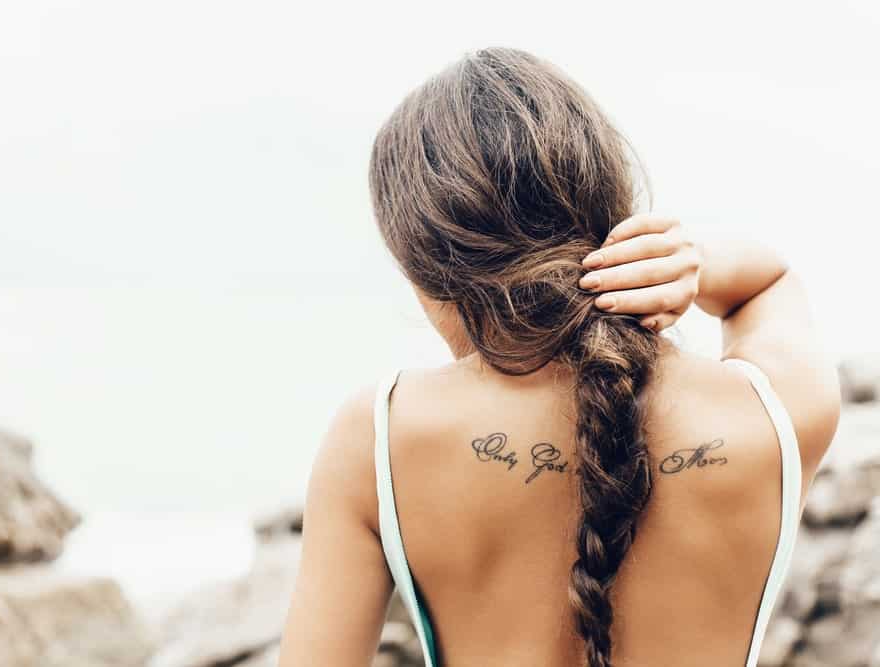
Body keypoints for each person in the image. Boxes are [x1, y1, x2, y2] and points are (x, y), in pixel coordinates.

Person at [278, 47, 840, 667]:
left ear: (426, 274)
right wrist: (690, 258)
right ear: (612, 212)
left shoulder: (378, 437)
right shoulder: (771, 414)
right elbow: (771, 281)